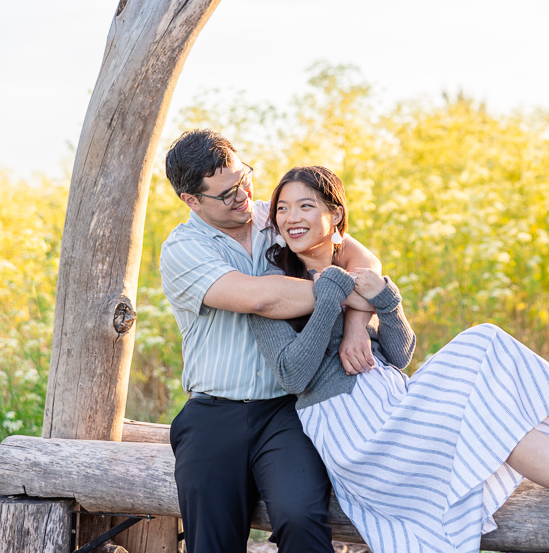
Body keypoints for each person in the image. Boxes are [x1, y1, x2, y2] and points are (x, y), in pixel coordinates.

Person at [248, 165, 549, 553]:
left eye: (306, 205)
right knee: (483, 341)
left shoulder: (358, 275)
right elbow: (293, 374)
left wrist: (385, 303)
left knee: (498, 422)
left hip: (396, 405)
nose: (292, 217)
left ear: (335, 214)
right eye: (282, 209)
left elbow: (399, 355)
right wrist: (330, 293)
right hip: (356, 434)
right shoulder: (271, 286)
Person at [159, 130, 384, 553]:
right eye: (226, 194)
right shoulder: (182, 249)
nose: (243, 195)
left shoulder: (280, 216)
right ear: (192, 200)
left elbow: (360, 257)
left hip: (288, 410)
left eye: (244, 179)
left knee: (301, 518)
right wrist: (348, 291)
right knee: (211, 541)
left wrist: (357, 320)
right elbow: (260, 297)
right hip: (213, 414)